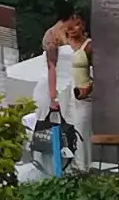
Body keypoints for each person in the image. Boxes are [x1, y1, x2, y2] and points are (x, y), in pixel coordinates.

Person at [38, 10, 91, 166]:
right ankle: (53, 162)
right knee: (56, 125)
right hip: (60, 88)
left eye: (77, 23)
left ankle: (79, 165)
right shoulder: (54, 40)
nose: (73, 27)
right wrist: (53, 94)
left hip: (76, 89)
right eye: (71, 22)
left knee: (75, 128)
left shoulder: (85, 44)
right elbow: (51, 66)